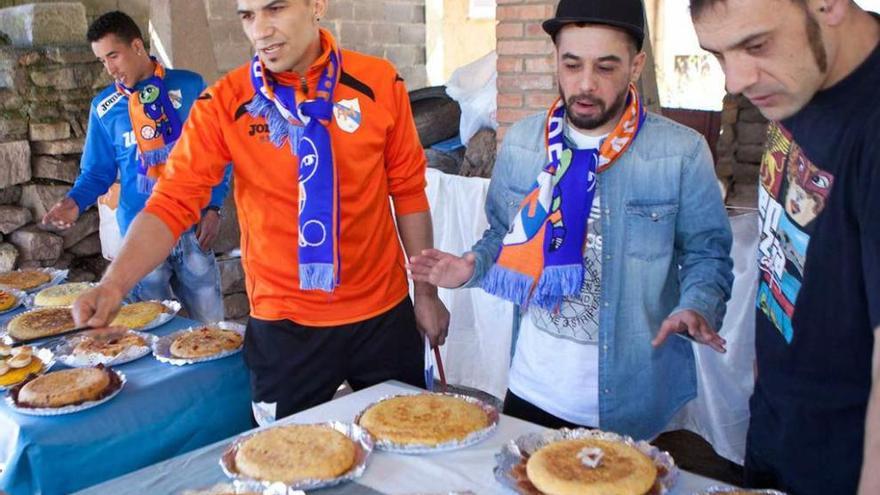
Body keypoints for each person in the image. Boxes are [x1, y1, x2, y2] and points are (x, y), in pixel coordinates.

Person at [71, 0, 449, 425]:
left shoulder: (379, 82)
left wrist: (427, 296)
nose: (260, 31)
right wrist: (113, 285)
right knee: (282, 473)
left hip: (382, 316)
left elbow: (409, 192)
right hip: (284, 326)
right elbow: (171, 202)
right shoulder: (224, 102)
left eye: (275, 9)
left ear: (317, 6)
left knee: (407, 458)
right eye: (248, 16)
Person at [409, 0, 733, 441]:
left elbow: (708, 254)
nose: (585, 84)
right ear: (555, 60)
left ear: (636, 65)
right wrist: (472, 266)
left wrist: (697, 304)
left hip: (632, 401)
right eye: (572, 64)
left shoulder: (681, 153)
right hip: (530, 389)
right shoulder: (524, 143)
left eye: (606, 67)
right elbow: (502, 236)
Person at [691, 0, 880, 493]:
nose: (735, 80)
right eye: (718, 55)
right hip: (778, 428)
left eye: (756, 45)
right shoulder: (797, 81)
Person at [43, 11, 230, 323]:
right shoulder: (104, 108)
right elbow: (97, 172)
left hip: (193, 229)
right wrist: (74, 202)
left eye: (113, 55)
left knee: (210, 327)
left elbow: (218, 152)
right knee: (148, 327)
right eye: (102, 60)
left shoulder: (189, 85)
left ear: (137, 46)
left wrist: (214, 207)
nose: (110, 68)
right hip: (139, 233)